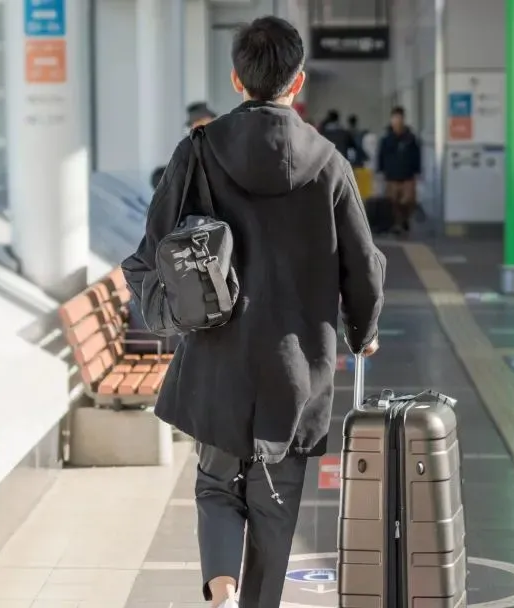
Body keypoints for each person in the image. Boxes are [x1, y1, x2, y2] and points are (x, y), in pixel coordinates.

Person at [121, 15, 385, 608]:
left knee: (217, 484)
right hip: (298, 366)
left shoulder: (198, 150)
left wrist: (169, 306)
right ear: (299, 81)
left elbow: (151, 250)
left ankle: (221, 590)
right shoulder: (330, 163)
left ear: (237, 80)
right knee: (276, 500)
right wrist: (363, 331)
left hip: (218, 357)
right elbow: (364, 266)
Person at [376, 106, 422, 235]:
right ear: (391, 120)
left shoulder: (410, 138)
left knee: (408, 201)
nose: (397, 121)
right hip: (391, 176)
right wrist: (380, 171)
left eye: (400, 118)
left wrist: (417, 171)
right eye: (395, 118)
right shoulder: (386, 139)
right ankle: (398, 224)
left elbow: (416, 155)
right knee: (393, 202)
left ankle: (405, 219)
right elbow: (381, 156)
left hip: (408, 176)